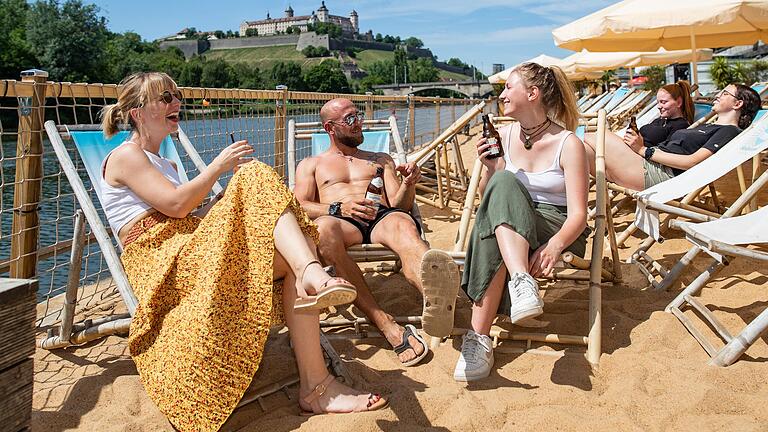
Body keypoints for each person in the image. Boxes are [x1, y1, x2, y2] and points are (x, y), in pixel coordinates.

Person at [100, 73, 387, 432]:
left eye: (176, 95)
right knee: (253, 175)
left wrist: (221, 201)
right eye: (165, 98)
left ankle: (317, 387)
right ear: (137, 113)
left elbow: (187, 215)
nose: (176, 103)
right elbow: (174, 207)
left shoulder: (167, 164)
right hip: (162, 263)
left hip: (190, 247)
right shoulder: (126, 155)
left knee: (290, 247)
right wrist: (218, 167)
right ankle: (315, 273)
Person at [293, 98, 460, 367]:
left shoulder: (380, 159)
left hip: (383, 217)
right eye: (350, 119)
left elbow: (400, 205)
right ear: (330, 127)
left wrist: (408, 183)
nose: (359, 122)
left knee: (404, 225)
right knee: (322, 230)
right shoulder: (312, 164)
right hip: (342, 222)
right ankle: (384, 321)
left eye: (358, 115)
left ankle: (436, 299)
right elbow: (300, 205)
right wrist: (339, 207)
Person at [454, 63, 590, 382]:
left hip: (557, 227)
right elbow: (490, 198)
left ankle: (478, 337)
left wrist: (554, 247)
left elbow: (579, 215)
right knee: (502, 186)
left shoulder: (568, 143)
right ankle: (520, 283)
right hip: (511, 224)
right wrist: (491, 168)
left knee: (495, 228)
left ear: (532, 94)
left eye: (508, 88)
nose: (501, 95)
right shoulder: (503, 135)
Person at [583, 83, 761, 191]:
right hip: (646, 165)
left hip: (657, 173)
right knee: (581, 151)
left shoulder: (729, 131)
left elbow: (693, 162)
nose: (717, 95)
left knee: (594, 135)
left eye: (724, 94)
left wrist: (643, 150)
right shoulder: (711, 126)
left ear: (738, 104)